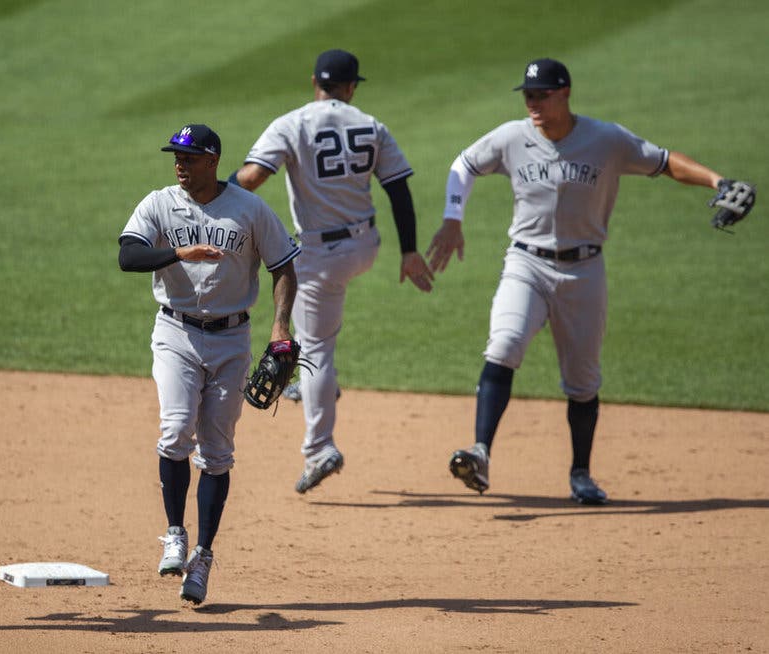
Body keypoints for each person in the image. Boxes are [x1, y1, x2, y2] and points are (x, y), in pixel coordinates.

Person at [426, 58, 741, 504]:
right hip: (526, 264)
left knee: (583, 380)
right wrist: (452, 218)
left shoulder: (606, 140)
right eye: (528, 95)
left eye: (542, 95)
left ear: (565, 93)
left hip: (584, 270)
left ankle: (581, 474)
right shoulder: (512, 137)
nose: (533, 103)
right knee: (503, 344)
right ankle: (480, 452)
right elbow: (464, 164)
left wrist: (717, 180)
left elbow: (666, 162)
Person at [231, 49, 434, 494]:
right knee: (314, 334)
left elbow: (250, 179)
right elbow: (398, 189)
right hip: (366, 245)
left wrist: (216, 196)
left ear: (314, 82)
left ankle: (320, 447)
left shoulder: (292, 123)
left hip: (321, 255)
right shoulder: (370, 124)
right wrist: (410, 252)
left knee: (315, 348)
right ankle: (315, 386)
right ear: (352, 86)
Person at [119, 123, 299, 605]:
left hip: (232, 338)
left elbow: (284, 266)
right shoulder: (159, 202)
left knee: (217, 451)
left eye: (191, 157)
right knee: (176, 430)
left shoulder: (250, 209)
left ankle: (201, 557)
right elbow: (127, 256)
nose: (180, 164)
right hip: (175, 331)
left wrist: (280, 327)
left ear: (213, 161)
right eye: (176, 156)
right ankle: (175, 531)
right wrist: (179, 252)